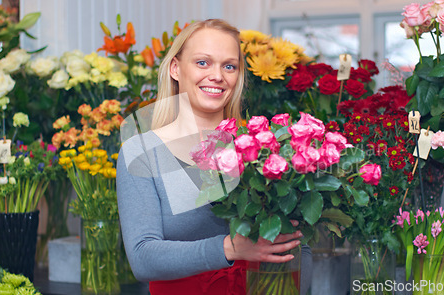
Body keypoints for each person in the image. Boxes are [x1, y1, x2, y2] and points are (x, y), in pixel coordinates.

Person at [117, 19, 312, 295]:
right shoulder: (142, 153)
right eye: (203, 63)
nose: (217, 76)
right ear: (175, 68)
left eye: (229, 66)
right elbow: (143, 257)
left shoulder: (263, 148)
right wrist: (232, 248)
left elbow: (298, 245)